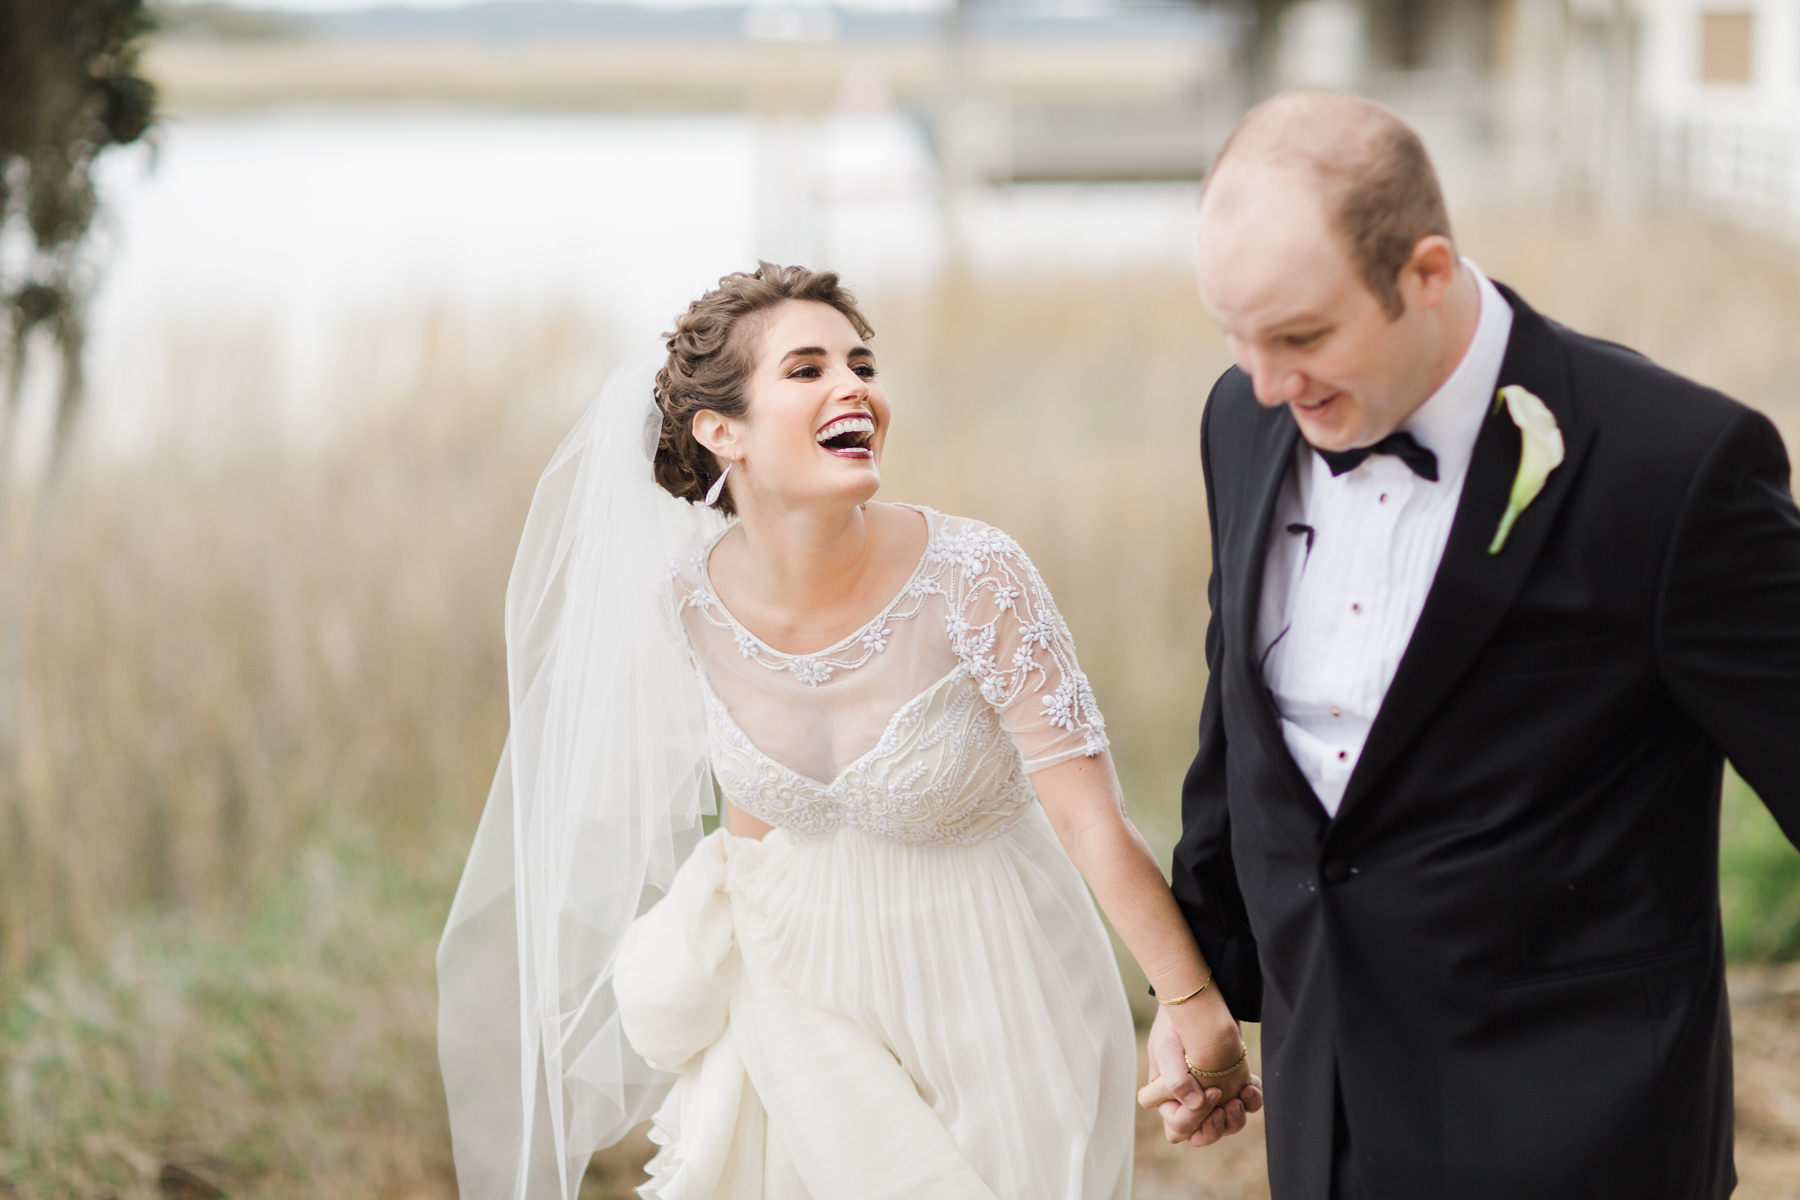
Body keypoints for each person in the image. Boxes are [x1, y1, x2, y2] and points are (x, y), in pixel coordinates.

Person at [437, 263, 1261, 1200]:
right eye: (807, 369)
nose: (854, 386)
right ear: (721, 432)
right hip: (801, 995)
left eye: (861, 363)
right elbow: (754, 821)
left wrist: (1193, 1003)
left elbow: (1090, 821)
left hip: (1008, 987)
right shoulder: (684, 611)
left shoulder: (975, 577)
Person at [1138, 89, 1800, 1199]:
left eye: (1301, 336)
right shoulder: (1244, 417)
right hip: (1328, 1126)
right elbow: (1240, 720)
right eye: (1235, 337)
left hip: (1586, 1139)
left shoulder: (1671, 467)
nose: (1267, 381)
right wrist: (1200, 984)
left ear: (1427, 274)